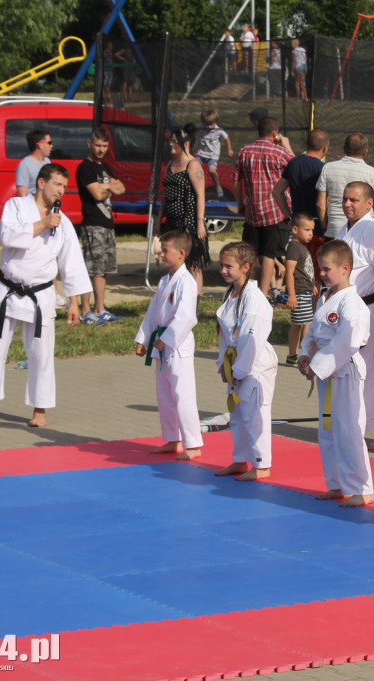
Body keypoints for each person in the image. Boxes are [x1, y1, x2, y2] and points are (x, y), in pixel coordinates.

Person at [0, 164, 91, 428]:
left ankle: (40, 410)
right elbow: (6, 236)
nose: (61, 191)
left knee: (41, 354)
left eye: (65, 187)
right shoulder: (16, 206)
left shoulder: (63, 223)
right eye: (57, 184)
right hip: (7, 291)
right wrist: (43, 223)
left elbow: (72, 263)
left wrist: (74, 301)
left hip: (40, 295)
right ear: (42, 183)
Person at [298, 239, 374, 507]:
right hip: (326, 371)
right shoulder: (325, 297)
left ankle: (362, 489)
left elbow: (347, 340)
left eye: (326, 269)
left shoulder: (352, 303)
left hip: (345, 370)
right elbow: (314, 333)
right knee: (328, 430)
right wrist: (305, 354)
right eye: (320, 268)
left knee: (349, 429)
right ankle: (337, 483)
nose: (321, 273)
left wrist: (318, 367)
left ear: (345, 268)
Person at [134, 229, 202, 460]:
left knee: (182, 394)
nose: (161, 255)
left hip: (178, 345)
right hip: (161, 343)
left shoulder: (187, 281)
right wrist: (144, 339)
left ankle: (193, 444)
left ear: (181, 253)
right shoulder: (165, 281)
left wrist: (167, 338)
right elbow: (153, 313)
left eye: (165, 251)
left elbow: (187, 317)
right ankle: (174, 439)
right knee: (164, 394)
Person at [213, 241, 278, 480]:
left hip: (255, 364)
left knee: (256, 414)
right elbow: (225, 335)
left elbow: (253, 337)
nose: (223, 270)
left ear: (245, 267)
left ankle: (262, 465)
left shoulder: (254, 298)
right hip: (236, 362)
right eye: (221, 265)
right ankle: (240, 460)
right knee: (238, 415)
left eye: (228, 266)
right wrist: (223, 363)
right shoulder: (229, 293)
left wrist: (239, 369)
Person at [339, 181, 374, 452]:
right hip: (347, 310)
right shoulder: (344, 229)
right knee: (351, 372)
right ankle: (354, 425)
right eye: (345, 199)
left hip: (371, 308)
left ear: (369, 203)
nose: (348, 204)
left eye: (354, 200)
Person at [234, 117, 296, 298]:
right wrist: (287, 146)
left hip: (253, 211)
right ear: (275, 133)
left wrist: (240, 203)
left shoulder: (245, 151)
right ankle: (263, 293)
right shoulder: (279, 152)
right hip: (275, 211)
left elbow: (236, 180)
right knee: (270, 254)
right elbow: (296, 165)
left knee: (250, 255)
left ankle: (245, 291)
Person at [76, 127, 126, 325]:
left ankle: (100, 308)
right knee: (92, 267)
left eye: (105, 146)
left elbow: (121, 188)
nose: (101, 149)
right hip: (92, 223)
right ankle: (86, 310)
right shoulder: (85, 168)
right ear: (90, 144)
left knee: (103, 269)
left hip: (107, 224)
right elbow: (96, 194)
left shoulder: (106, 168)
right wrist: (109, 187)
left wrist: (107, 187)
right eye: (97, 145)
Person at [316, 133, 374, 238]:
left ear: (344, 149)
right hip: (362, 232)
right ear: (366, 152)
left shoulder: (328, 168)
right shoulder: (372, 173)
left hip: (334, 230)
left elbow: (320, 204)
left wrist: (324, 226)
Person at [161, 125, 208, 285]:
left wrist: (200, 222)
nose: (171, 144)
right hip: (172, 222)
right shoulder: (170, 164)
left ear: (185, 143)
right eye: (171, 141)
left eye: (174, 141)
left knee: (192, 263)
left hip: (188, 221)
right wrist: (159, 217)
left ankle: (194, 300)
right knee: (173, 261)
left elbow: (201, 194)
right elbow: (165, 195)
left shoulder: (193, 165)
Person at [273, 128, 328, 223]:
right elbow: (324, 202)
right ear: (325, 148)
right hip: (316, 222)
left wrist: (288, 218)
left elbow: (277, 191)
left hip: (297, 222)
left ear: (306, 143)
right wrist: (324, 224)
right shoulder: (323, 168)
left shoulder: (293, 163)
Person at [285, 214, 318, 366]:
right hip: (298, 293)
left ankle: (293, 354)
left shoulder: (300, 247)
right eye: (307, 230)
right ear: (295, 229)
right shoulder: (294, 248)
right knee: (306, 324)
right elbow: (290, 272)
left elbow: (304, 271)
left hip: (305, 291)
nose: (310, 233)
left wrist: (311, 286)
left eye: (312, 230)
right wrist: (291, 295)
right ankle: (304, 355)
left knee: (298, 324)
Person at [195, 109, 233, 200]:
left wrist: (229, 149)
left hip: (213, 154)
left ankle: (218, 186)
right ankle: (195, 186)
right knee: (195, 168)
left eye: (211, 124)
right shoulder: (200, 127)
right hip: (201, 152)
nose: (208, 127)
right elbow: (191, 132)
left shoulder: (218, 130)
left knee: (212, 171)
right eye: (206, 124)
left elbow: (227, 138)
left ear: (215, 122)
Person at [16, 130, 52, 197]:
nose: (51, 146)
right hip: (32, 205)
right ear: (40, 145)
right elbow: (22, 195)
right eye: (49, 143)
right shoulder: (24, 166)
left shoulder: (47, 161)